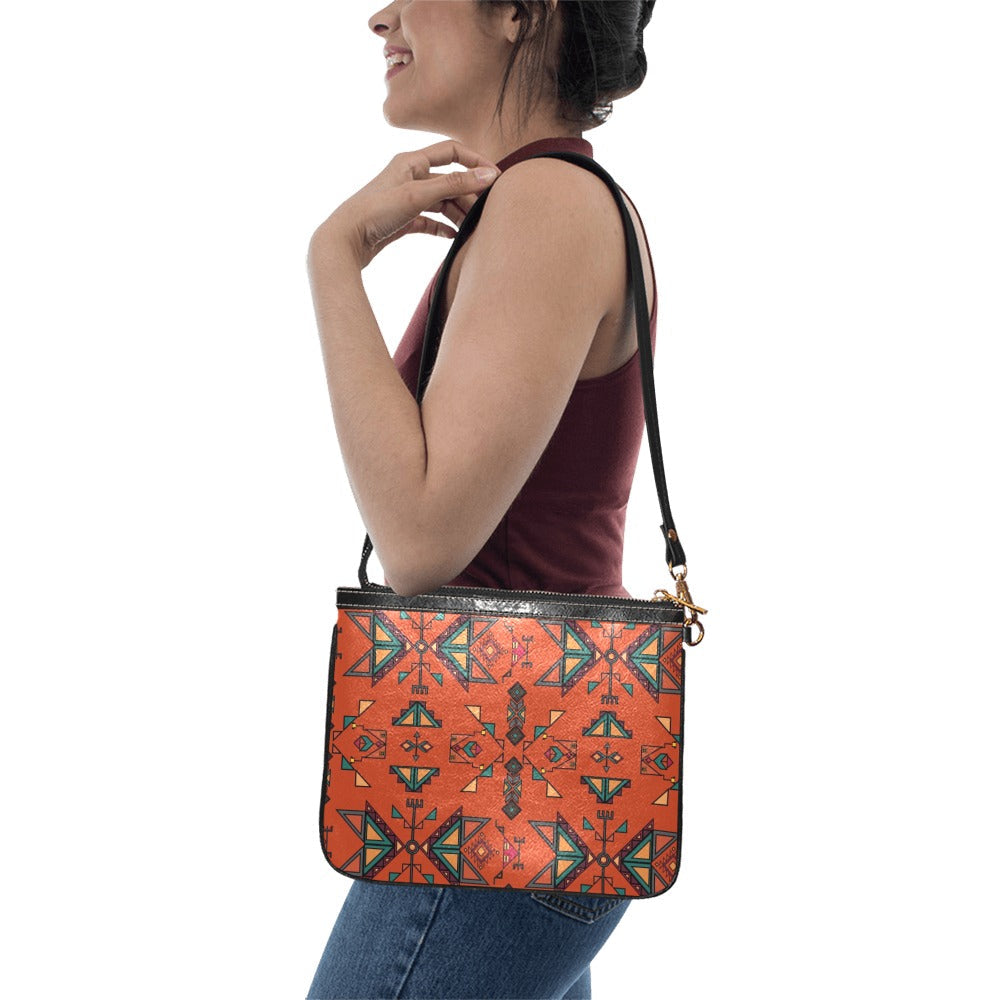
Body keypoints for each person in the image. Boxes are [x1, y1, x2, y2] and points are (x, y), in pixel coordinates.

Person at [305, 2, 661, 997]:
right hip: (532, 783)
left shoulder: (549, 202)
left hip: (497, 795)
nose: (380, 16)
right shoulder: (543, 200)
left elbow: (420, 538)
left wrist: (332, 260)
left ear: (517, 11)